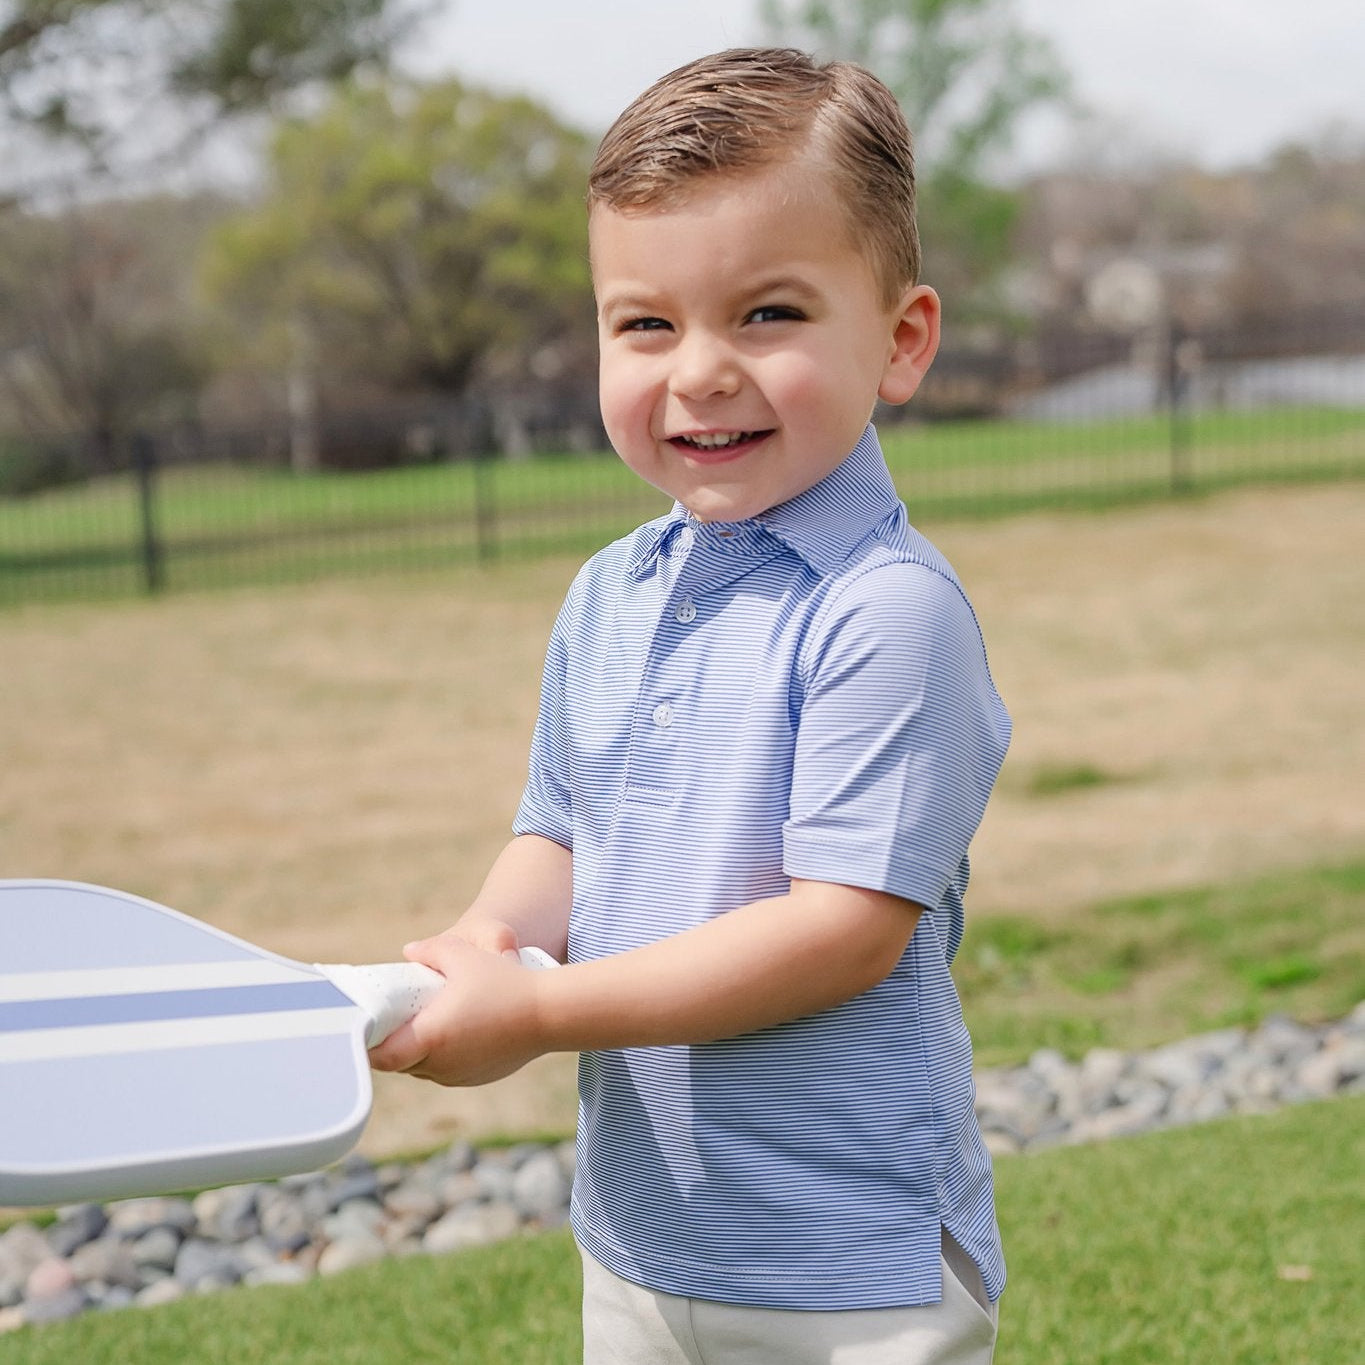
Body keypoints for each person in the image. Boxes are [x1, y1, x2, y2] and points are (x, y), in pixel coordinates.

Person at [371, 47, 1011, 1365]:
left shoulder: (885, 611)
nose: (699, 370)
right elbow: (560, 828)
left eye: (767, 314)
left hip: (853, 1259)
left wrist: (540, 1012)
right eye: (645, 323)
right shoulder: (608, 591)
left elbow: (840, 933)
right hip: (646, 1240)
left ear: (899, 340)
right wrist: (489, 937)